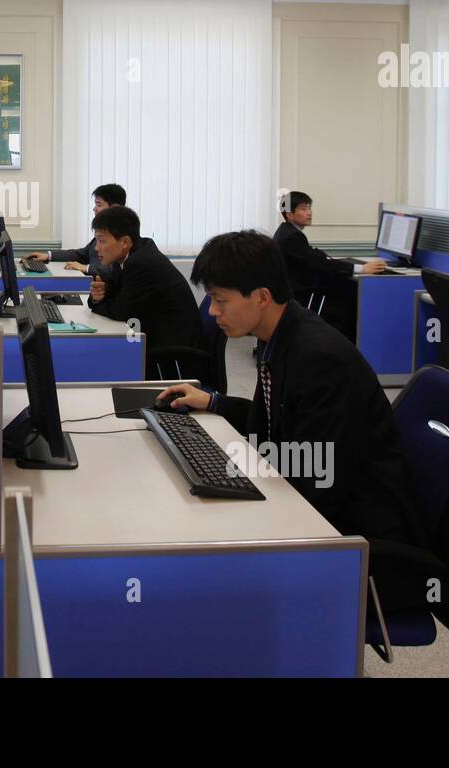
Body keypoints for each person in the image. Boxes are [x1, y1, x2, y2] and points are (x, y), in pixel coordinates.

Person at [156, 230, 427, 611]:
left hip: (353, 534)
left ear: (262, 298)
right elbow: (273, 426)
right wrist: (214, 402)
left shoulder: (318, 359)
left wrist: (229, 469)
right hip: (320, 498)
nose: (213, 311)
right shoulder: (279, 337)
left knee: (194, 567)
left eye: (220, 300)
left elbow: (317, 477)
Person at [86, 205, 202, 354]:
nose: (96, 248)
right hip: (155, 333)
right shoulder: (126, 256)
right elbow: (112, 291)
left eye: (101, 241)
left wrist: (99, 303)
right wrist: (100, 295)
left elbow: (121, 311)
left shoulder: (140, 263)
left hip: (174, 351)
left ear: (124, 242)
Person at [274, 191, 381, 340]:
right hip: (302, 292)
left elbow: (311, 258)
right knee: (348, 293)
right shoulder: (293, 236)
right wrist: (362, 268)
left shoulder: (285, 231)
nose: (309, 213)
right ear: (290, 214)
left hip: (295, 289)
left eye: (309, 208)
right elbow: (319, 263)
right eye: (303, 209)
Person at [24, 183, 124, 280]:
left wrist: (86, 268)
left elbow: (115, 269)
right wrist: (48, 256)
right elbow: (81, 254)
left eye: (99, 204)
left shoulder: (122, 235)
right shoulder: (103, 232)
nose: (94, 209)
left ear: (114, 207)